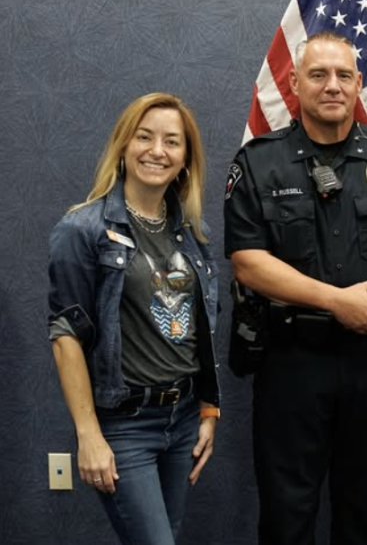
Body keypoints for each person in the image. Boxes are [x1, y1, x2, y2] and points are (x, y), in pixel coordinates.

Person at [223, 31, 367, 545]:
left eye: (344, 75)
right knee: (287, 513)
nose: (333, 86)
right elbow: (248, 263)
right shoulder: (259, 162)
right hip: (292, 362)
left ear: (358, 84)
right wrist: (338, 302)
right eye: (319, 74)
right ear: (294, 82)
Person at [48, 92, 221, 545]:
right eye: (144, 137)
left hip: (183, 420)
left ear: (185, 158)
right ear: (124, 146)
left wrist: (207, 408)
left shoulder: (188, 234)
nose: (157, 151)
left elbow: (197, 333)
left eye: (172, 141)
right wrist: (88, 434)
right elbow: (66, 336)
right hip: (126, 426)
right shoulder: (81, 230)